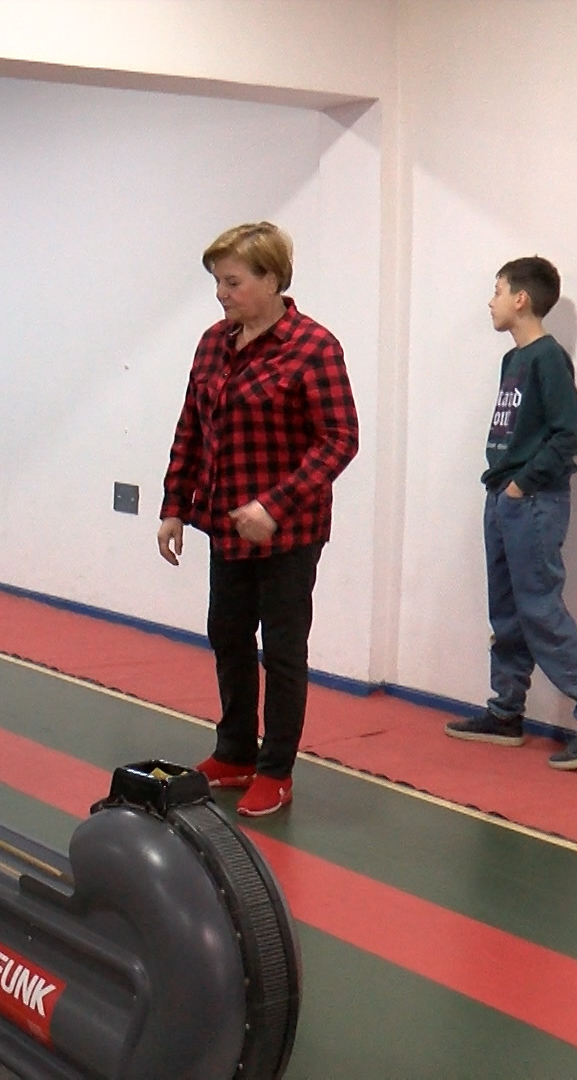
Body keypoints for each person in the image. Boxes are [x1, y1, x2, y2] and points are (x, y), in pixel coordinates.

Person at [158, 222, 359, 818]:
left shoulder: (313, 347)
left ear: (272, 280)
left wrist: (275, 504)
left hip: (289, 532)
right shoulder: (212, 344)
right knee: (227, 635)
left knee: (283, 650)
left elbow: (339, 439)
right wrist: (174, 505)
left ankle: (276, 769)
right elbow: (191, 427)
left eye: (233, 282)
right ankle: (235, 751)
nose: (221, 294)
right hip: (226, 526)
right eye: (217, 282)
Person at [443, 257, 577, 769]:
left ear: (521, 299)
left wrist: (520, 486)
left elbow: (568, 434)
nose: (491, 301)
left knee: (539, 609)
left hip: (531, 502)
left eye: (498, 290)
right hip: (504, 497)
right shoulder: (514, 360)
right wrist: (503, 490)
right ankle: (506, 711)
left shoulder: (548, 358)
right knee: (506, 610)